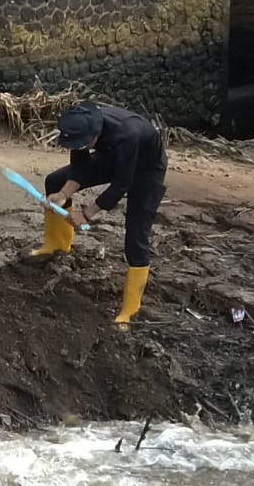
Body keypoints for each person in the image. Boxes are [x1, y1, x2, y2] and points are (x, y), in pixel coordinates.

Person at [31, 101, 167, 325]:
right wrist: (63, 194)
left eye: (83, 144)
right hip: (111, 158)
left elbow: (121, 185)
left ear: (95, 133)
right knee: (54, 181)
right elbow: (79, 168)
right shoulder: (80, 127)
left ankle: (130, 310)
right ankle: (56, 246)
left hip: (146, 169)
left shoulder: (128, 133)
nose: (80, 147)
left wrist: (86, 214)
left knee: (136, 234)